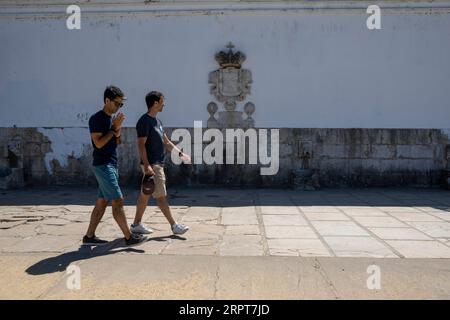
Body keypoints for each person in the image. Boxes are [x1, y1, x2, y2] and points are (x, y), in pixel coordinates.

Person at [82, 86, 147, 246]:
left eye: (121, 105)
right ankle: (129, 237)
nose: (119, 107)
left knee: (102, 202)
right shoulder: (96, 119)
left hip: (111, 163)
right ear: (107, 101)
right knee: (118, 200)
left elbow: (118, 141)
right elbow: (98, 143)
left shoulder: (112, 119)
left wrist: (117, 129)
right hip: (103, 165)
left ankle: (89, 236)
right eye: (117, 103)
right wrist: (112, 129)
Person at [131, 91, 190, 235]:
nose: (164, 104)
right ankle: (174, 225)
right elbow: (141, 144)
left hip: (156, 164)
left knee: (145, 195)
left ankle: (136, 224)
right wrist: (146, 165)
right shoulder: (144, 121)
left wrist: (181, 154)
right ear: (155, 103)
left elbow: (167, 142)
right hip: (152, 165)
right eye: (162, 101)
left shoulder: (158, 122)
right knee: (161, 196)